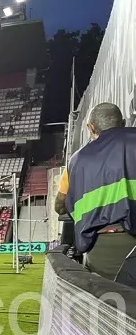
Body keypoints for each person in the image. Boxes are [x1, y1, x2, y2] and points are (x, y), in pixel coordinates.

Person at [55, 103, 136, 286]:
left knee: (114, 304)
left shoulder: (76, 161)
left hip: (103, 248)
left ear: (90, 128)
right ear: (122, 123)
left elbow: (59, 205)